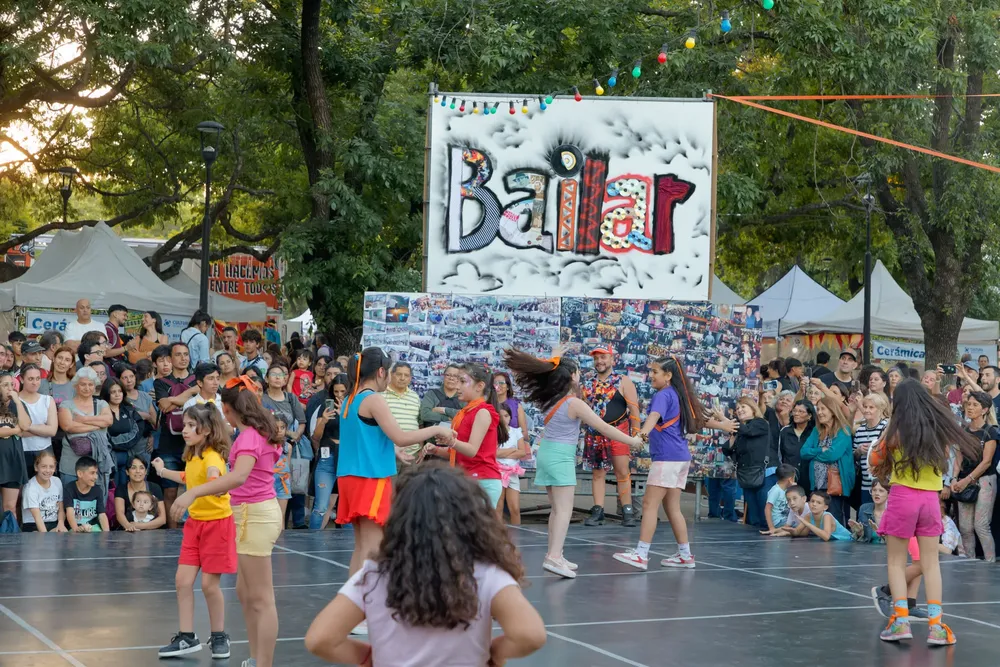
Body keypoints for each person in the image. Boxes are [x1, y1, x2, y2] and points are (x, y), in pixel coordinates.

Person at [304, 463, 546, 667]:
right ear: (472, 519)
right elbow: (530, 634)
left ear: (399, 518)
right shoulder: (485, 574)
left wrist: (368, 658)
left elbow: (320, 639)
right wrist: (494, 653)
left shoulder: (375, 575)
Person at [336, 348, 453, 635]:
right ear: (380, 372)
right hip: (371, 478)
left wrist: (394, 451)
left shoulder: (350, 399)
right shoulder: (374, 399)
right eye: (389, 371)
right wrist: (436, 428)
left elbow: (370, 437)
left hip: (352, 476)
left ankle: (355, 611)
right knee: (374, 546)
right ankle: (365, 613)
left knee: (362, 545)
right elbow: (400, 434)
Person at [169, 377, 283, 667]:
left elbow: (238, 476)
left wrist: (193, 493)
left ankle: (264, 663)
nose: (224, 415)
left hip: (254, 515)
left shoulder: (248, 437)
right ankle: (257, 658)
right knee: (246, 593)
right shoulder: (258, 432)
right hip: (249, 514)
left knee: (261, 598)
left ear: (233, 410)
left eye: (225, 409)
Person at [504, 349, 641, 579]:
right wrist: (633, 442)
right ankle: (554, 557)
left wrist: (556, 357)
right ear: (572, 377)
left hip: (547, 454)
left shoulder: (550, 399)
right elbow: (604, 428)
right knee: (564, 510)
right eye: (576, 373)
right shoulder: (573, 403)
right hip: (560, 456)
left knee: (556, 509)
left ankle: (555, 553)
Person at [868, 379, 981, 645]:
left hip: (902, 497)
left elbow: (875, 460)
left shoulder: (894, 431)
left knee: (896, 562)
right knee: (931, 564)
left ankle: (901, 622)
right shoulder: (938, 430)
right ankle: (936, 627)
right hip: (930, 500)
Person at [153, 404, 235, 659]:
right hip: (195, 525)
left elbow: (213, 481)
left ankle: (219, 635)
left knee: (210, 586)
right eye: (184, 425)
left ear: (207, 429)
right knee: (182, 581)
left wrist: (193, 494)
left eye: (190, 425)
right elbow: (190, 479)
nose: (184, 430)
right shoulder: (192, 454)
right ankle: (187, 637)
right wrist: (162, 471)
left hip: (217, 525)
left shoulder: (213, 457)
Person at [613, 356, 707, 570]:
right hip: (680, 458)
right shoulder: (678, 395)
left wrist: (641, 435)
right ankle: (685, 555)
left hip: (667, 458)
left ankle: (641, 554)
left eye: (655, 372)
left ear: (668, 375)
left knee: (649, 505)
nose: (651, 375)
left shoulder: (663, 395)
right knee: (672, 507)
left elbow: (654, 417)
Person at [423, 363, 505, 506]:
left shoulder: (482, 412)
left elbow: (472, 450)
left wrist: (450, 441)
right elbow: (458, 453)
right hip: (467, 479)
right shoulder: (466, 412)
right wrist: (436, 449)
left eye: (462, 381)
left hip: (482, 480)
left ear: (479, 386)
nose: (457, 386)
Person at [581, 346, 641, 528]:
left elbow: (634, 410)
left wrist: (636, 435)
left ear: (612, 360)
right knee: (598, 473)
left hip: (619, 431)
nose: (599, 361)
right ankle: (598, 510)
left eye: (603, 357)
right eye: (596, 358)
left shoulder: (623, 381)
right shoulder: (587, 383)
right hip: (595, 434)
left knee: (622, 472)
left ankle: (628, 511)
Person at [154, 342, 199, 526]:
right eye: (178, 355)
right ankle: (171, 531)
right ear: (170, 359)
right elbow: (164, 406)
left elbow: (201, 405)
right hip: (168, 442)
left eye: (186, 354)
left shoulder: (198, 378)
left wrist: (173, 400)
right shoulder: (161, 382)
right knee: (170, 491)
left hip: (194, 444)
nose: (183, 358)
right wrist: (190, 392)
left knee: (194, 488)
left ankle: (194, 527)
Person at [953, 391, 998, 562]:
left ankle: (990, 563)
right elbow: (958, 458)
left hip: (985, 480)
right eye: (968, 404)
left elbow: (986, 462)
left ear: (985, 409)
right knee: (965, 527)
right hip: (964, 480)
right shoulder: (962, 431)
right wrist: (954, 479)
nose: (970, 408)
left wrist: (966, 480)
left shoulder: (990, 432)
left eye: (975, 405)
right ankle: (969, 561)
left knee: (981, 525)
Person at [800, 396, 855, 527]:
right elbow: (803, 452)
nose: (819, 412)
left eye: (823, 409)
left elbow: (832, 455)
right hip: (818, 484)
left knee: (834, 521)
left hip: (835, 485)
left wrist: (814, 454)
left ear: (833, 410)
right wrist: (821, 450)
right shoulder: (816, 430)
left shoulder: (843, 430)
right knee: (820, 522)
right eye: (818, 409)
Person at [722, 396, 772, 530]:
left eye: (743, 407)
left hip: (762, 472)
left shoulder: (760, 423)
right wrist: (732, 435)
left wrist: (727, 421)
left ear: (753, 409)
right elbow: (727, 449)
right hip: (746, 473)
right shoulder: (740, 430)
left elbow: (749, 431)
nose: (739, 410)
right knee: (752, 511)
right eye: (738, 408)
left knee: (763, 506)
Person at [309, 374, 347, 530]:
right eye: (336, 392)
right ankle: (311, 542)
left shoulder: (354, 407)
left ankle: (350, 547)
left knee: (348, 508)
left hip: (347, 459)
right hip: (327, 457)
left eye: (343, 391)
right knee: (320, 507)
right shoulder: (326, 406)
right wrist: (324, 421)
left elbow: (358, 434)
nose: (339, 395)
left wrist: (346, 414)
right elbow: (316, 437)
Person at [103, 377, 147, 490]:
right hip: (109, 459)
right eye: (113, 392)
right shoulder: (100, 411)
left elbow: (138, 429)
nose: (117, 395)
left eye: (120, 391)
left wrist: (116, 441)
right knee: (111, 491)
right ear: (107, 394)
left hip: (129, 456)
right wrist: (114, 442)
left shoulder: (130, 410)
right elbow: (103, 435)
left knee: (126, 489)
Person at [18, 364, 58, 475]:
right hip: (22, 451)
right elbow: (17, 432)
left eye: (37, 378)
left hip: (45, 451)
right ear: (21, 379)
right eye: (30, 379)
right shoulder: (15, 401)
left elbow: (52, 431)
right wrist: (42, 429)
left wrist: (26, 427)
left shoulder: (47, 400)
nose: (35, 382)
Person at [854, 392, 890, 507]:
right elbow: (853, 456)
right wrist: (859, 451)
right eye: (865, 407)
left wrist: (875, 449)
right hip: (866, 484)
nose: (867, 410)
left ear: (880, 409)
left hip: (884, 484)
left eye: (871, 407)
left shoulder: (886, 427)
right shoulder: (859, 431)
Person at [382, 362, 422, 463]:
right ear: (391, 374)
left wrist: (421, 447)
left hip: (413, 454)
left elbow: (419, 424)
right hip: (389, 453)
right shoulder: (380, 394)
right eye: (399, 374)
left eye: (406, 375)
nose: (402, 378)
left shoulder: (415, 397)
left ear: (410, 378)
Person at [495, 403, 528, 525]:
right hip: (497, 472)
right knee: (498, 507)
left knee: (514, 508)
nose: (504, 419)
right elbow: (494, 453)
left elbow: (522, 452)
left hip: (512, 472)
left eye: (506, 415)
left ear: (510, 417)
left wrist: (502, 453)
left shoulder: (516, 432)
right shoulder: (493, 432)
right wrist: (513, 450)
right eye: (500, 416)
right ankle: (497, 534)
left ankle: (517, 533)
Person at [114, 455, 166, 531]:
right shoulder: (121, 489)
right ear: (127, 472)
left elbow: (162, 519)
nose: (138, 471)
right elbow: (119, 514)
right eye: (133, 467)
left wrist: (140, 526)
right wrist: (129, 527)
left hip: (153, 533)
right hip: (129, 533)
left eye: (141, 468)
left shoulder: (155, 488)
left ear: (145, 472)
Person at [21, 449, 66, 532]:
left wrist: (61, 523)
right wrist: (46, 538)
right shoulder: (30, 488)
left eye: (51, 467)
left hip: (53, 523)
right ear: (36, 467)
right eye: (43, 466)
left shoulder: (57, 481)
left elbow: (61, 509)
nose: (48, 470)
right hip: (33, 525)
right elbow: (37, 517)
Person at [63, 455, 110, 532]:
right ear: (80, 474)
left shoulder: (97, 490)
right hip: (75, 528)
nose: (96, 477)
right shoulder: (69, 488)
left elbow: (102, 514)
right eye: (92, 473)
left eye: (96, 473)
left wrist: (107, 533)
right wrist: (76, 529)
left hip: (93, 527)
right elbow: (70, 513)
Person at [786, 490, 853, 541]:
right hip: (835, 542)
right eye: (812, 501)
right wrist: (791, 531)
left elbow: (826, 537)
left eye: (819, 503)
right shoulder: (808, 516)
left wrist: (807, 523)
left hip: (847, 540)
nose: (814, 504)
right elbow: (797, 531)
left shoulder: (827, 516)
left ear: (825, 507)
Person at [780, 399, 816, 494]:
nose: (796, 414)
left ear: (809, 416)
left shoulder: (815, 432)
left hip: (809, 479)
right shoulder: (785, 431)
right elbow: (779, 455)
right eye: (795, 411)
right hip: (789, 479)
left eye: (801, 411)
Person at [419, 364, 464, 428]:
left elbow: (466, 415)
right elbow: (425, 415)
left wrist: (444, 410)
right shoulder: (431, 394)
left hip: (456, 436)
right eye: (448, 375)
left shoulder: (463, 397)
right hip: (432, 436)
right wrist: (448, 418)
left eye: (455, 376)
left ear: (460, 379)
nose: (451, 378)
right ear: (443, 376)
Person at [763, 464, 799, 534]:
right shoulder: (775, 490)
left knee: (803, 523)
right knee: (800, 526)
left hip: (787, 519)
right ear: (790, 479)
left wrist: (795, 489)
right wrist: (771, 527)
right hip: (779, 521)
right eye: (794, 477)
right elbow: (767, 508)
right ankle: (780, 530)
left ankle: (784, 531)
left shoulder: (788, 489)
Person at [850, 478, 888, 543]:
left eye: (881, 491)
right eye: (874, 490)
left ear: (889, 494)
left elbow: (897, 543)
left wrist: (882, 535)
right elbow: (863, 540)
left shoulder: (894, 513)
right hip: (868, 551)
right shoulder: (864, 509)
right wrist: (859, 533)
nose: (877, 493)